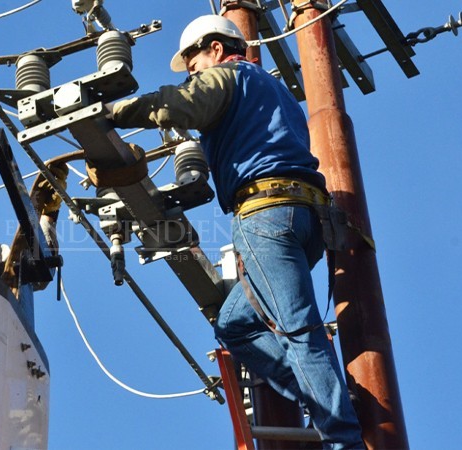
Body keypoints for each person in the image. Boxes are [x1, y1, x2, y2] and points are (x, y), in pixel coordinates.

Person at [108, 15, 363, 449]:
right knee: (234, 325)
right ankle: (326, 395)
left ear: (218, 49)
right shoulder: (272, 89)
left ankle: (344, 439)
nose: (192, 71)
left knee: (298, 331)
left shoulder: (229, 75)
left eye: (194, 61)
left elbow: (178, 105)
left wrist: (109, 112)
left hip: (266, 218)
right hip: (305, 221)